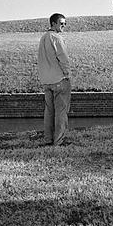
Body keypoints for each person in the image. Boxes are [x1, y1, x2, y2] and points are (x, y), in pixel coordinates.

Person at [37, 13, 72, 146]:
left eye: (65, 23)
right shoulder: (57, 38)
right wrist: (67, 74)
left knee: (49, 111)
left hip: (46, 80)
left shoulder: (43, 38)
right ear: (53, 23)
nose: (64, 26)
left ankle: (48, 139)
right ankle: (59, 141)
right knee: (61, 112)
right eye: (61, 23)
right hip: (59, 79)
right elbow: (63, 58)